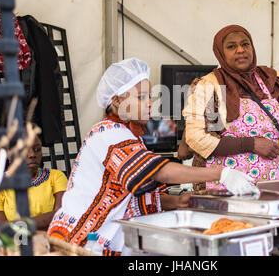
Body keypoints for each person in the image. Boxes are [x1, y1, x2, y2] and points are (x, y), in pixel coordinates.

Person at [46, 58, 249, 256]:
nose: (151, 103)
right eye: (141, 97)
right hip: (83, 244)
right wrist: (222, 173)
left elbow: (138, 194)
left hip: (111, 240)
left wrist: (179, 202)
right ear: (117, 100)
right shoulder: (108, 133)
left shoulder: (132, 137)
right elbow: (161, 172)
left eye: (149, 97)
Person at [178, 24, 279, 190]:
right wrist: (251, 144)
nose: (240, 50)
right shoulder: (210, 87)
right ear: (221, 53)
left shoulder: (272, 80)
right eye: (231, 46)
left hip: (271, 182)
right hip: (223, 186)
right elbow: (197, 138)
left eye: (245, 44)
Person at [0, 133, 68, 230]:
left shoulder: (56, 176)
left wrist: (19, 225)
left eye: (37, 149)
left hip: (52, 240)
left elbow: (62, 214)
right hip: (18, 242)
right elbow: (2, 228)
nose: (32, 154)